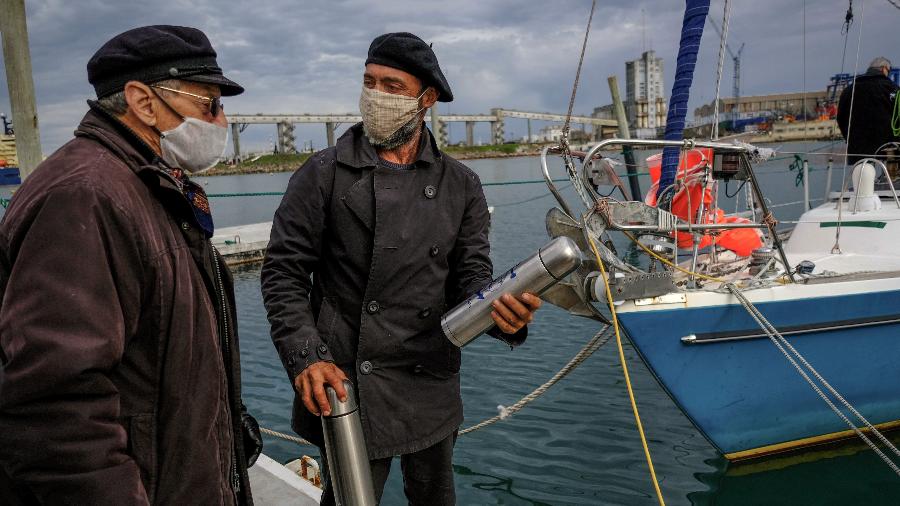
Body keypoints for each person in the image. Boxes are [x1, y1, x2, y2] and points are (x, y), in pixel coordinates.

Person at [261, 32, 542, 505]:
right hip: (348, 380)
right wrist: (308, 357)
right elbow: (284, 273)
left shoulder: (462, 184)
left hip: (428, 376)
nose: (376, 96)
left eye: (392, 86)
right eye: (369, 82)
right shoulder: (322, 173)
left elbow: (470, 278)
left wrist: (502, 315)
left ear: (426, 99)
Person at [0, 25, 261, 505]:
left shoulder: (145, 185)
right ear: (143, 103)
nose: (222, 121)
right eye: (210, 106)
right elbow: (55, 405)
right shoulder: (86, 197)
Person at [837, 56, 900, 164]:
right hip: (888, 148)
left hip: (858, 148)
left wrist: (849, 139)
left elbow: (841, 118)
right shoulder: (892, 89)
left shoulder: (848, 91)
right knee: (892, 176)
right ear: (884, 69)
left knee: (862, 176)